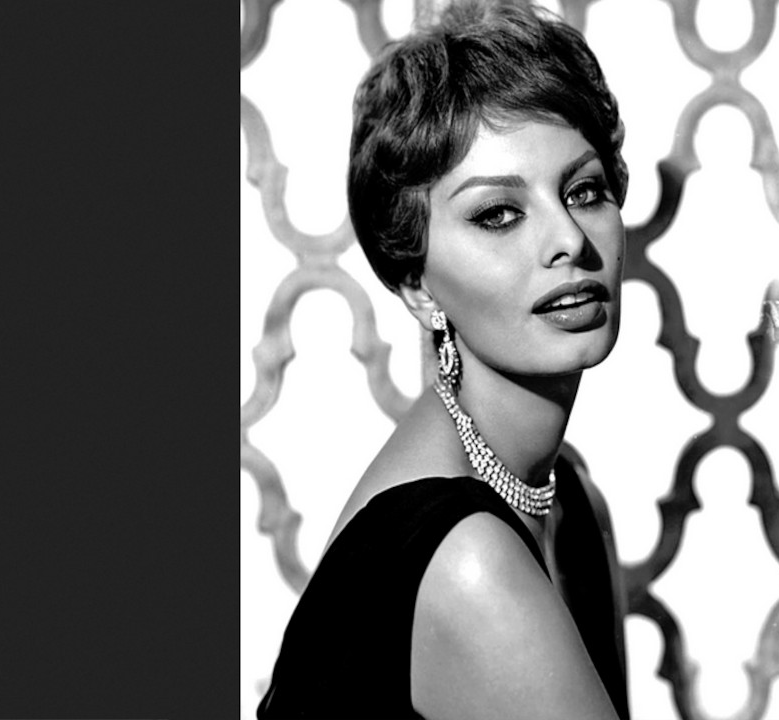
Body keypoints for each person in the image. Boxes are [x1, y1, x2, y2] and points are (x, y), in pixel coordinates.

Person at [258, 1, 630, 717]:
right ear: (417, 286)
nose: (570, 241)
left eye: (584, 191)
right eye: (498, 214)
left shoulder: (573, 501)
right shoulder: (464, 557)